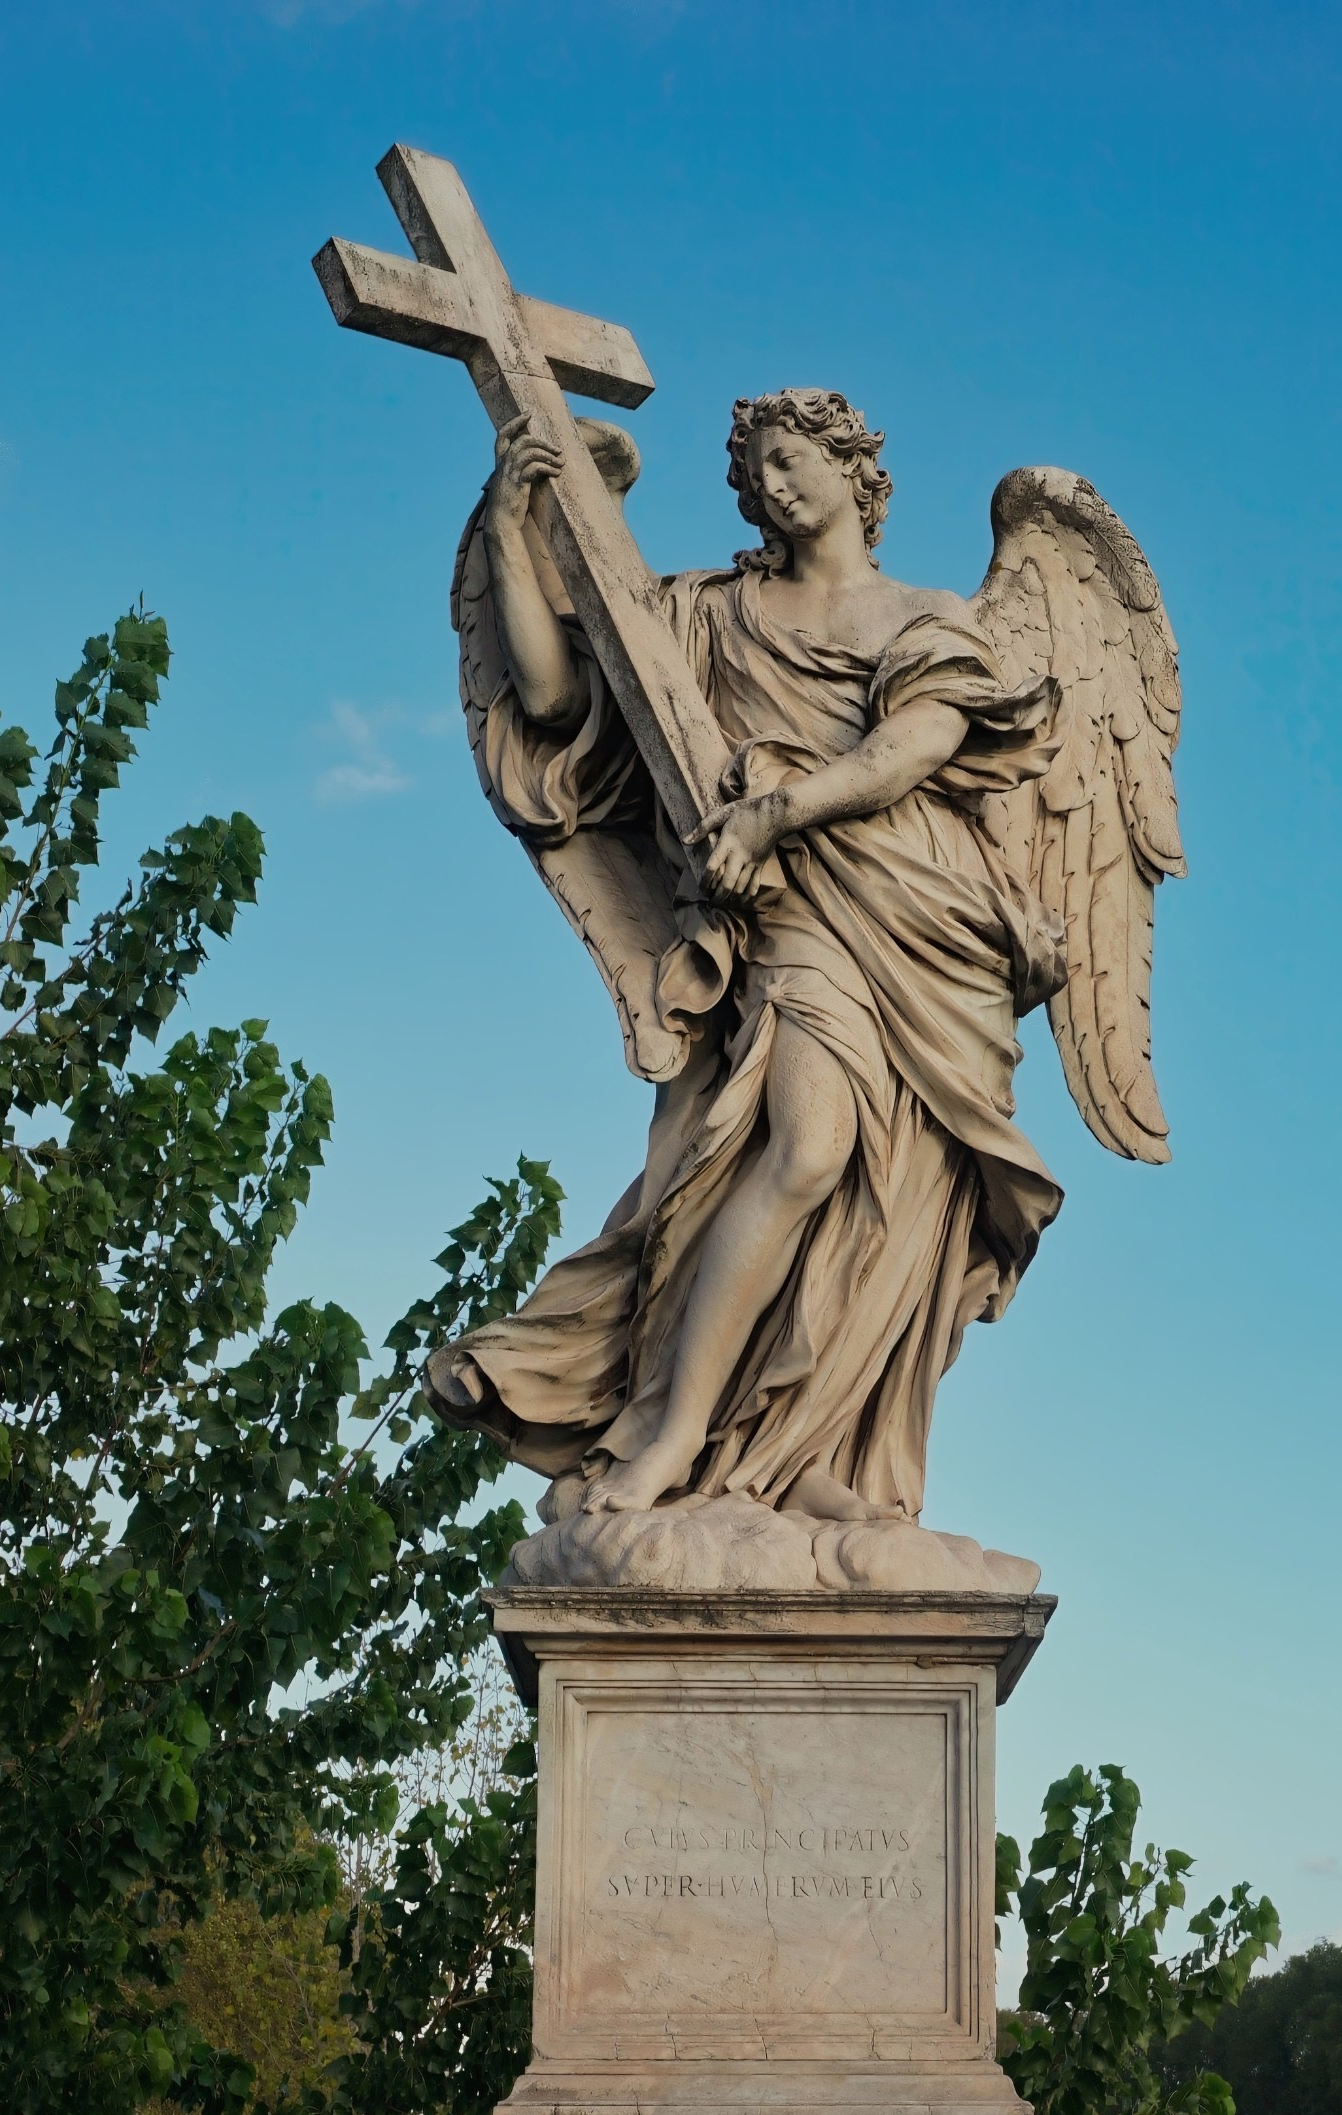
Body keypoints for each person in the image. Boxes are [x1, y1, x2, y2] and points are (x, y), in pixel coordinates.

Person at [426, 387, 1067, 1524]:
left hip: (926, 922)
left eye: (793, 459)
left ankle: (801, 1445)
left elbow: (912, 748)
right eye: (757, 468)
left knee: (890, 1194)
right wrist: (517, 526)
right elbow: (553, 691)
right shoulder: (706, 617)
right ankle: (675, 1432)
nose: (773, 483)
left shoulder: (926, 617)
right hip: (792, 909)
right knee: (811, 1146)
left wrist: (777, 811)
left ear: (853, 470)